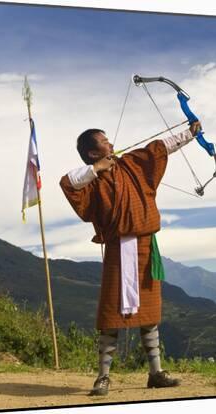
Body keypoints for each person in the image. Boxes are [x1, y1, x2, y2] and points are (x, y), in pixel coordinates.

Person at [60, 120, 202, 396]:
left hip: (146, 246)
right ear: (92, 153)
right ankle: (103, 377)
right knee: (111, 314)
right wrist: (96, 170)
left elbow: (158, 149)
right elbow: (67, 183)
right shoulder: (91, 180)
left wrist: (191, 133)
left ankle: (156, 373)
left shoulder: (131, 164)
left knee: (149, 314)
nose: (110, 144)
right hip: (118, 249)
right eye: (104, 142)